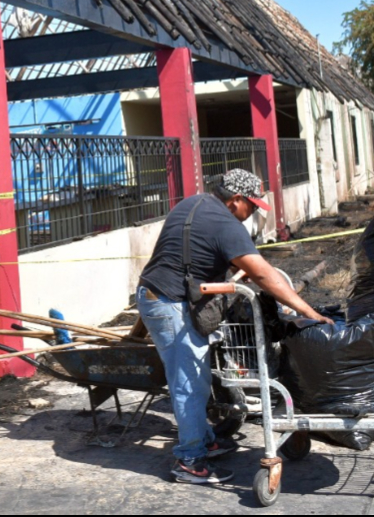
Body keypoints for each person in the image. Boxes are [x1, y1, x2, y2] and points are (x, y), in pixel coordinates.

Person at [136, 169, 332, 485]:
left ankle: (205, 439)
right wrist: (307, 311)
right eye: (252, 206)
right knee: (190, 381)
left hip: (161, 295)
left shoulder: (195, 203)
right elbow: (263, 275)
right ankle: (189, 461)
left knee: (195, 376)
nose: (254, 212)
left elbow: (201, 252)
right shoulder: (226, 223)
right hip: (169, 302)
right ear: (235, 199)